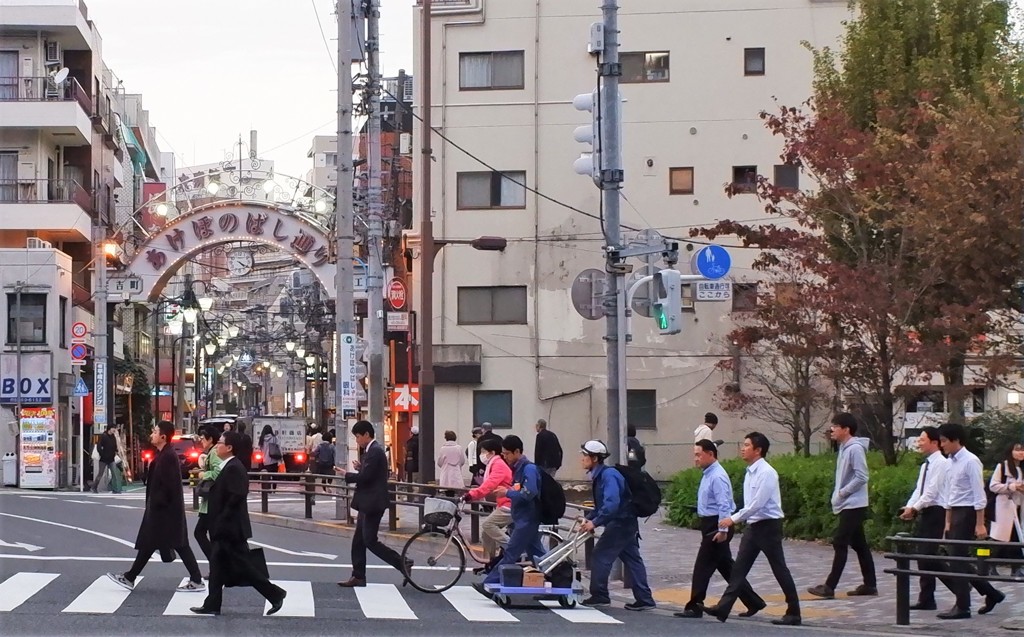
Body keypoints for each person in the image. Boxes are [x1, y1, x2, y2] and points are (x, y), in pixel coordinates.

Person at [703, 432, 801, 626]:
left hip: (768, 526)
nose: (743, 448)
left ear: (758, 450)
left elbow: (757, 504)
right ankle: (723, 608)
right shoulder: (750, 472)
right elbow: (751, 505)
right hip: (753, 526)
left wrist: (732, 519)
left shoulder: (767, 473)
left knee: (779, 569)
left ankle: (794, 612)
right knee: (738, 569)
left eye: (747, 445)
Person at [190, 431, 287, 616]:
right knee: (217, 567)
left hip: (230, 528)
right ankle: (212, 604)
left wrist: (221, 520)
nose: (217, 445)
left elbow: (236, 496)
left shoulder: (234, 467)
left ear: (229, 448)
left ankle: (275, 594)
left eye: (220, 442)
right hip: (226, 526)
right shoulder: (230, 466)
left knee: (244, 566)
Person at [107, 421, 205, 593]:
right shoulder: (163, 454)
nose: (151, 434)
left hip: (165, 511)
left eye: (155, 431)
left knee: (174, 543)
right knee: (155, 543)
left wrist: (158, 503)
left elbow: (169, 485)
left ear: (163, 437)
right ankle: (130, 577)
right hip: (164, 509)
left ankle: (196, 580)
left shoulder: (167, 456)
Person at [676, 439, 764, 619]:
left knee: (702, 567)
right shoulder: (708, 473)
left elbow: (724, 505)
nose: (696, 459)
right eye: (695, 455)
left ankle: (694, 606)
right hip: (711, 524)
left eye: (699, 455)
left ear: (710, 454)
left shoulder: (717, 476)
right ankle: (753, 601)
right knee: (728, 568)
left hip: (717, 525)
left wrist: (722, 530)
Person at [937, 422, 1004, 620]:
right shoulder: (950, 462)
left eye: (944, 441)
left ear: (956, 440)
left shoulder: (970, 461)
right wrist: (947, 521)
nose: (942, 445)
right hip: (955, 511)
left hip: (968, 512)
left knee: (957, 559)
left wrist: (980, 523)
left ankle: (963, 606)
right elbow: (949, 493)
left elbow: (978, 493)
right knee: (955, 557)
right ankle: (992, 593)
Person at [579, 440, 656, 611]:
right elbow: (602, 506)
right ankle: (645, 599)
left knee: (599, 555)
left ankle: (600, 595)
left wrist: (595, 522)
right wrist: (590, 517)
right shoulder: (602, 475)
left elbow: (611, 505)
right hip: (625, 521)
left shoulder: (609, 476)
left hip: (620, 522)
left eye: (585, 455)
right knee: (632, 558)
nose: (582, 459)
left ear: (595, 458)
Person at [808, 412, 877, 598]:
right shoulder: (844, 448)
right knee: (859, 545)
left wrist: (843, 492)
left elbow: (862, 476)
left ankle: (830, 586)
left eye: (836, 426)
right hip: (848, 503)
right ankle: (870, 584)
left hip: (853, 504)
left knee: (840, 542)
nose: (832, 429)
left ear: (846, 430)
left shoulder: (854, 449)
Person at [337, 420, 413, 587]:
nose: (357, 440)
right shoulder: (372, 451)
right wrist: (360, 468)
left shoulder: (375, 451)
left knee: (369, 540)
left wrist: (347, 475)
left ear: (366, 434)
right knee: (358, 540)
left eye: (357, 436)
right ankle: (358, 576)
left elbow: (366, 478)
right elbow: (369, 473)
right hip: (368, 501)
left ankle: (402, 562)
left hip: (373, 502)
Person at [477, 435, 546, 591]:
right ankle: (556, 576)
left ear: (517, 452)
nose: (505, 457)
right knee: (538, 554)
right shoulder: (518, 469)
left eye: (507, 453)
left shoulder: (528, 469)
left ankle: (489, 582)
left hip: (527, 519)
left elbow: (529, 493)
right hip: (523, 518)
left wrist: (507, 493)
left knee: (511, 553)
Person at [898, 426, 952, 611]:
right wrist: (909, 506)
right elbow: (919, 489)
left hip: (938, 511)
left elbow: (932, 491)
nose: (918, 443)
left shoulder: (941, 463)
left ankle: (960, 587)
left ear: (934, 442)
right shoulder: (926, 465)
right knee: (923, 557)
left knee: (928, 555)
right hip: (927, 512)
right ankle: (927, 599)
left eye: (922, 439)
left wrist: (915, 507)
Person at [462, 437, 514, 560]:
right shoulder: (494, 464)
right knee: (486, 534)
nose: (482, 455)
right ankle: (489, 561)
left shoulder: (498, 465)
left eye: (484, 452)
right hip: (504, 503)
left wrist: (471, 494)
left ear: (492, 453)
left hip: (510, 504)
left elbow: (489, 484)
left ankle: (513, 548)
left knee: (488, 524)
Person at [989, 442, 1024, 578]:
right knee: (1001, 539)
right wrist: (1013, 486)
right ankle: (990, 565)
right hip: (1004, 506)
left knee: (1015, 538)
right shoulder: (1002, 467)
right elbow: (994, 486)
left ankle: (1015, 568)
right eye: (1018, 450)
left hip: (1018, 507)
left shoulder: (1021, 468)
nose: (1021, 453)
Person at [192, 426, 225, 564]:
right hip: (210, 502)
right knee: (206, 534)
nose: (201, 441)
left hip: (212, 502)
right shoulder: (211, 453)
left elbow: (219, 471)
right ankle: (217, 566)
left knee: (200, 533)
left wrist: (203, 474)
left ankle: (217, 565)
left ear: (211, 439)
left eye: (203, 438)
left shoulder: (213, 453)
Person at [92, 424, 119, 493]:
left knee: (114, 474)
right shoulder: (103, 436)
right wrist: (102, 454)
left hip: (111, 459)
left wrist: (115, 451)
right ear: (109, 429)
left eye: (115, 428)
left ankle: (115, 489)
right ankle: (94, 487)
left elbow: (115, 446)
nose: (114, 430)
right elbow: (99, 446)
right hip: (103, 459)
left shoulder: (113, 437)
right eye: (113, 428)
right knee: (100, 474)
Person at [437, 430, 466, 495]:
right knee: (456, 490)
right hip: (456, 472)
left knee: (447, 490)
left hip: (446, 472)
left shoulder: (443, 449)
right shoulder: (459, 448)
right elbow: (462, 461)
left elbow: (439, 462)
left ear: (446, 438)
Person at [258, 424, 281, 489]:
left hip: (265, 460)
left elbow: (261, 449)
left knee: (266, 476)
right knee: (274, 475)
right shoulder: (274, 438)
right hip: (274, 459)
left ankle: (267, 489)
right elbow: (278, 447)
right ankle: (274, 488)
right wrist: (280, 458)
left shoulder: (262, 439)